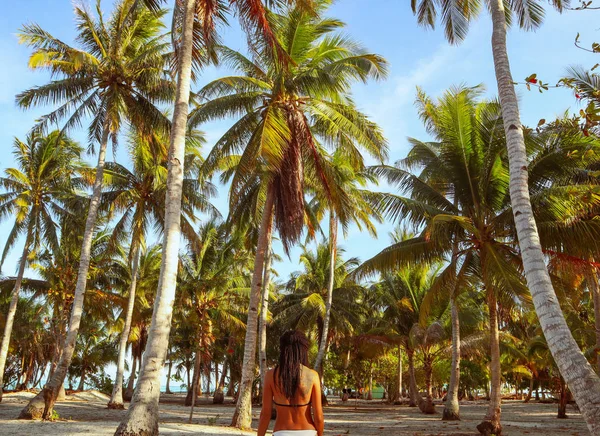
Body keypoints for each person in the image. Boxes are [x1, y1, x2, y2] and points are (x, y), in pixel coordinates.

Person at [257, 330, 324, 436]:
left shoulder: (271, 375)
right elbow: (318, 416)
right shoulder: (312, 375)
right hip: (308, 431)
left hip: (281, 432)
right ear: (303, 350)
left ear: (282, 350)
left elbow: (265, 414)